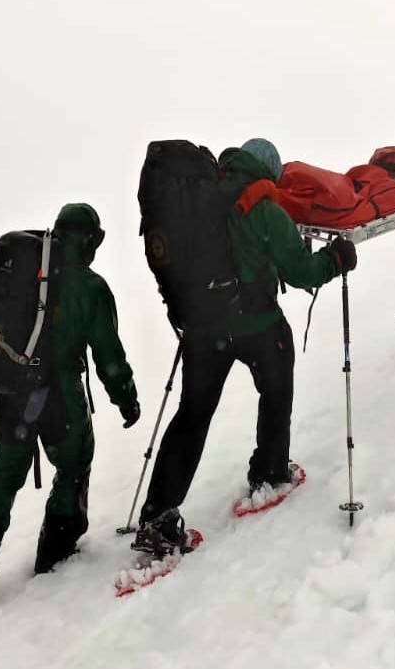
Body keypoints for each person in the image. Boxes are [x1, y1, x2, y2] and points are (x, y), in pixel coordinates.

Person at [133, 138, 356, 556]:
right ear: (269, 171)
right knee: (275, 391)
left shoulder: (202, 196)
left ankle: (157, 517)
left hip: (202, 329)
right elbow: (302, 270)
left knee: (192, 416)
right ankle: (270, 473)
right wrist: (336, 260)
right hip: (256, 324)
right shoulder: (262, 206)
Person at [0, 203, 141, 610]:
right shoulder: (91, 288)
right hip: (62, 401)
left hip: (11, 397)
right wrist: (126, 399)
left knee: (1, 478)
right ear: (89, 239)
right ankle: (56, 553)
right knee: (72, 468)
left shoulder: (25, 273)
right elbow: (109, 356)